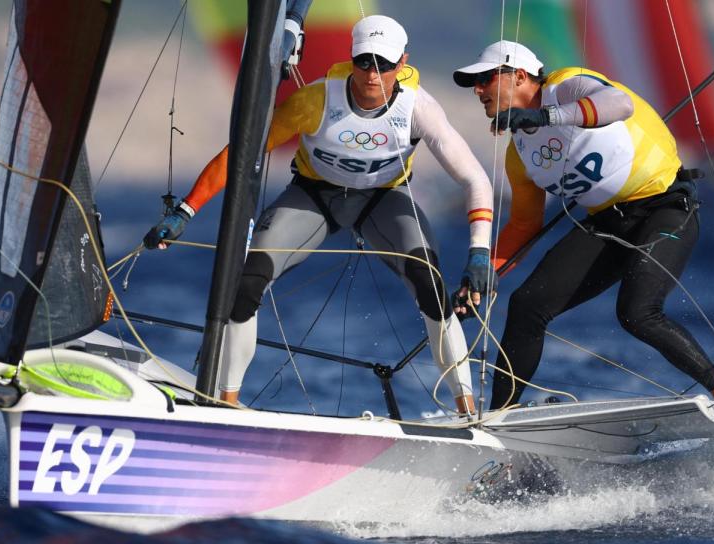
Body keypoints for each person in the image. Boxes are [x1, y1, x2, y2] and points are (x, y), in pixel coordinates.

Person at [144, 15, 495, 414]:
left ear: (402, 63)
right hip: (315, 197)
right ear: (352, 58)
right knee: (249, 280)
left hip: (383, 198)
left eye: (383, 64)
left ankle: (466, 410)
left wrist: (480, 253)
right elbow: (240, 155)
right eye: (364, 62)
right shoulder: (315, 100)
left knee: (429, 281)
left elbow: (475, 180)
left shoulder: (419, 108)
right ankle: (226, 403)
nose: (372, 74)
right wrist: (185, 211)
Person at [452, 41, 714, 409]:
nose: (478, 91)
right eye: (474, 84)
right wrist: (484, 274)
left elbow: (620, 104)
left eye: (485, 80)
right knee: (526, 305)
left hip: (665, 208)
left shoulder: (566, 85)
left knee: (638, 313)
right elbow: (525, 223)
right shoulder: (519, 153)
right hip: (608, 225)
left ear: (519, 76)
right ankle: (499, 417)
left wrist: (545, 117)